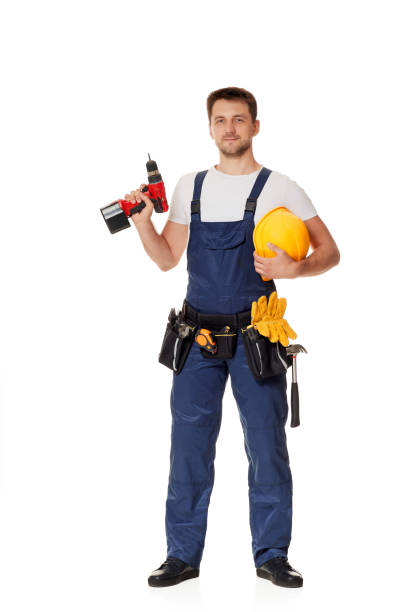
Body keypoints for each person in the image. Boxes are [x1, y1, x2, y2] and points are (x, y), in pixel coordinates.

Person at [125, 87, 340, 588]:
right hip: (196, 337)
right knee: (189, 447)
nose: (229, 128)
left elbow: (330, 251)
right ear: (210, 128)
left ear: (255, 126)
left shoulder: (281, 188)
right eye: (220, 120)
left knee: (266, 447)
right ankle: (181, 556)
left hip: (256, 338)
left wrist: (297, 267)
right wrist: (142, 224)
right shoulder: (188, 187)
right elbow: (165, 258)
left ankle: (272, 556)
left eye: (238, 119)